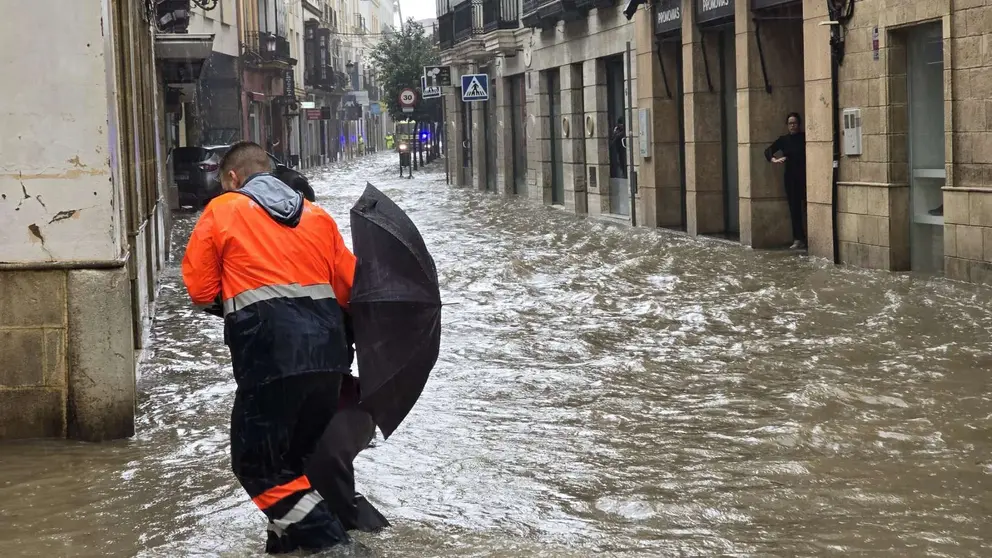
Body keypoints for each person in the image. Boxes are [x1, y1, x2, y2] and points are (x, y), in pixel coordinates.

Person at [181, 141, 357, 554]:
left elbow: (200, 289)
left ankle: (334, 545)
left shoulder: (222, 209)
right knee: (291, 467)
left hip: (271, 357)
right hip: (330, 360)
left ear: (232, 178)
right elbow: (350, 290)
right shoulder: (318, 216)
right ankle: (286, 548)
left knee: (256, 466)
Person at [765, 112, 807, 250]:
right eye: (790, 123)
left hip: (806, 177)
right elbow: (768, 150)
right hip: (791, 178)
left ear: (799, 124)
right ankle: (798, 238)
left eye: (794, 123)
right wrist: (774, 159)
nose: (792, 126)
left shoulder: (805, 137)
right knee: (794, 209)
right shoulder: (784, 140)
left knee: (807, 208)